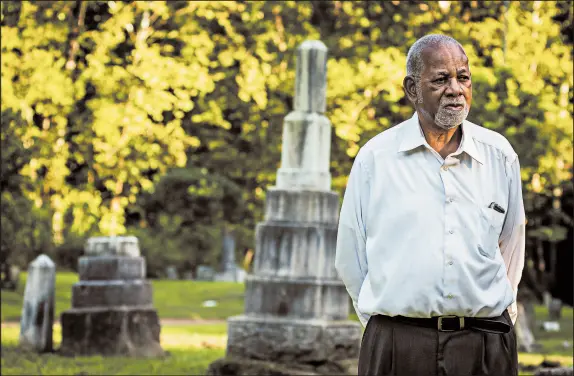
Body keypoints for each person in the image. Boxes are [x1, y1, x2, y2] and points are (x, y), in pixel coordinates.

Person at [335, 34, 525, 376]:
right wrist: (392, 327)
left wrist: (489, 314)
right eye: (440, 79)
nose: (455, 89)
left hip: (485, 347)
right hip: (399, 346)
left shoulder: (500, 156)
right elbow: (351, 257)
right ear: (412, 89)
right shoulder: (375, 159)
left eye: (463, 77)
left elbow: (512, 248)